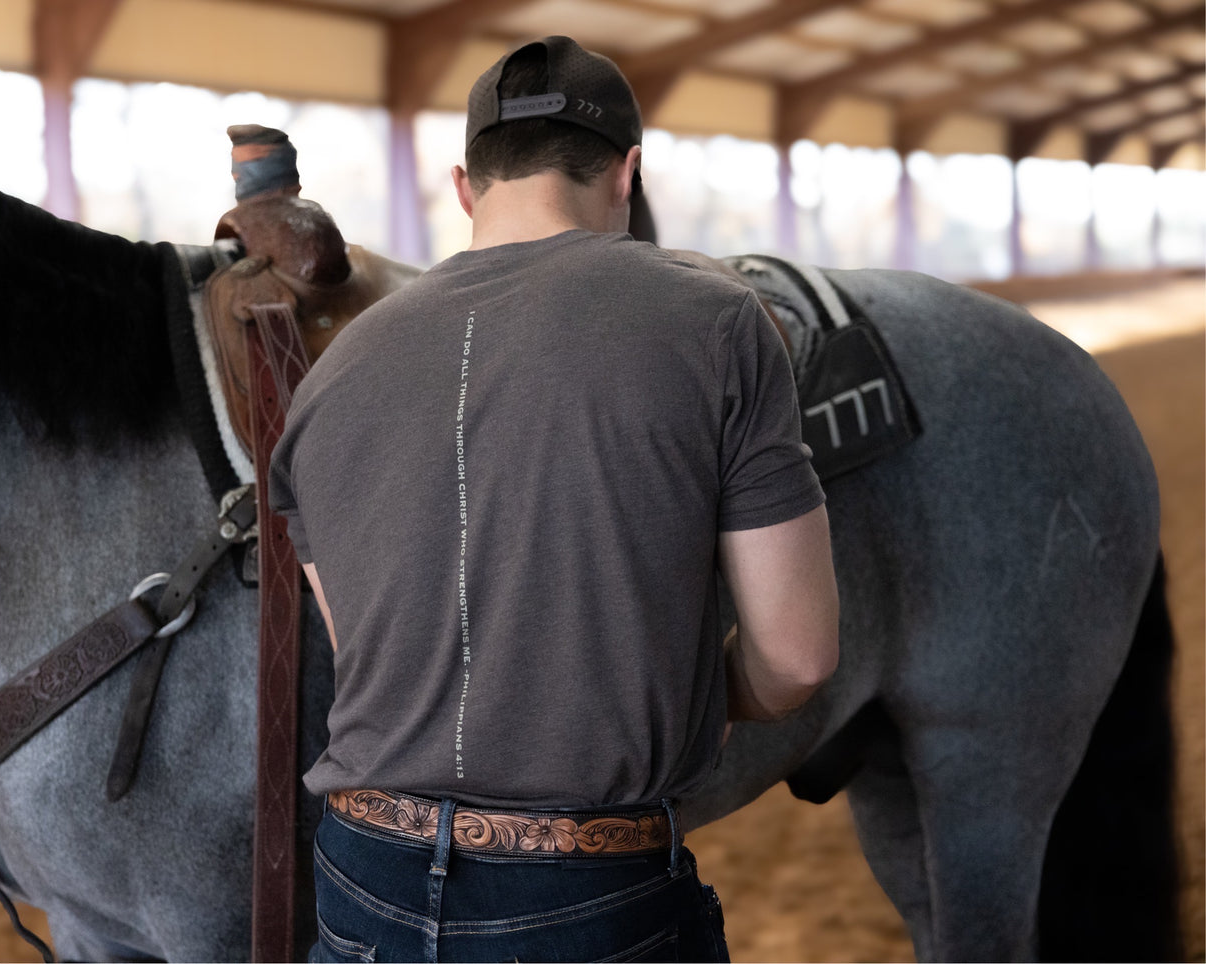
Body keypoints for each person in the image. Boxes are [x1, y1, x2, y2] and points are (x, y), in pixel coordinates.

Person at [269, 35, 838, 963]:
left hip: (360, 881)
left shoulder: (332, 376)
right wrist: (702, 691)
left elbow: (372, 652)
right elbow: (800, 656)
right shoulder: (714, 320)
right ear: (628, 174)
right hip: (580, 896)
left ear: (465, 186)